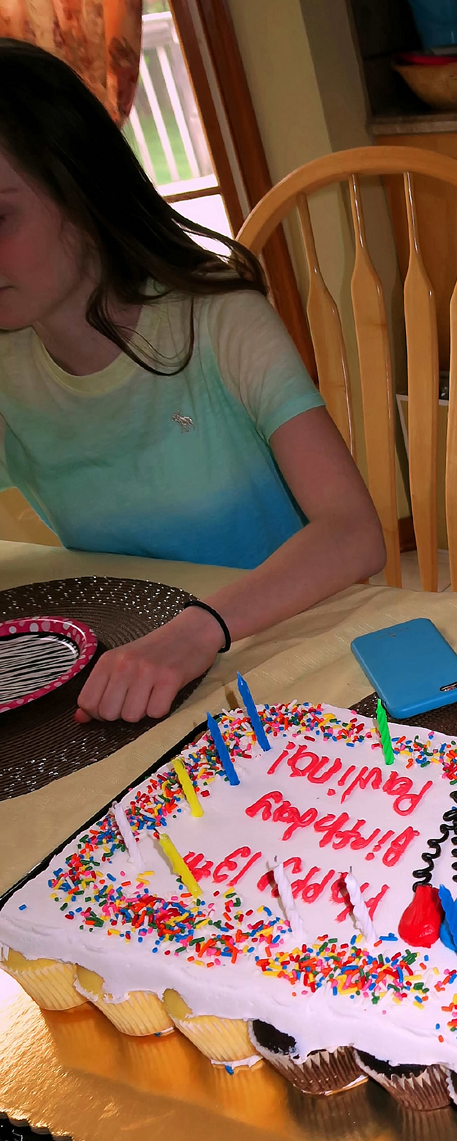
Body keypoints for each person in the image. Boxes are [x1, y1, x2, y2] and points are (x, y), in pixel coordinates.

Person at [0, 40, 386, 722]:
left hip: (295, 651)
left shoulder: (220, 319)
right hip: (139, 682)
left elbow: (353, 532)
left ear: (83, 192)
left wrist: (195, 631)